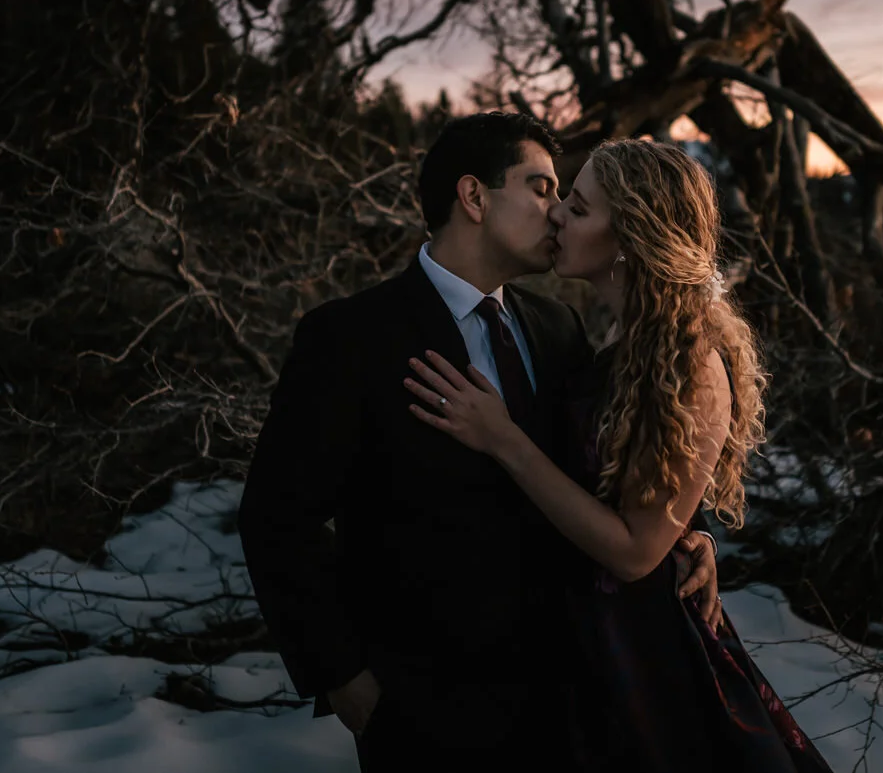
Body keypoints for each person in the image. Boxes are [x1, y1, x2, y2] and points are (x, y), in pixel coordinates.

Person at [237, 113, 721, 772]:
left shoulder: (558, 328)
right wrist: (345, 676)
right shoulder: (350, 338)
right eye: (543, 188)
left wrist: (681, 534)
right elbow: (277, 517)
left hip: (567, 697)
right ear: (473, 196)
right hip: (422, 709)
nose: (556, 214)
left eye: (566, 199)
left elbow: (602, 476)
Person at [405, 138, 835, 772]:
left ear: (632, 234)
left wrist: (504, 440)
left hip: (642, 658)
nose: (556, 216)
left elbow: (635, 552)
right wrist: (690, 531)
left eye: (577, 209)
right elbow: (626, 483)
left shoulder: (692, 359)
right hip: (571, 649)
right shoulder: (607, 343)